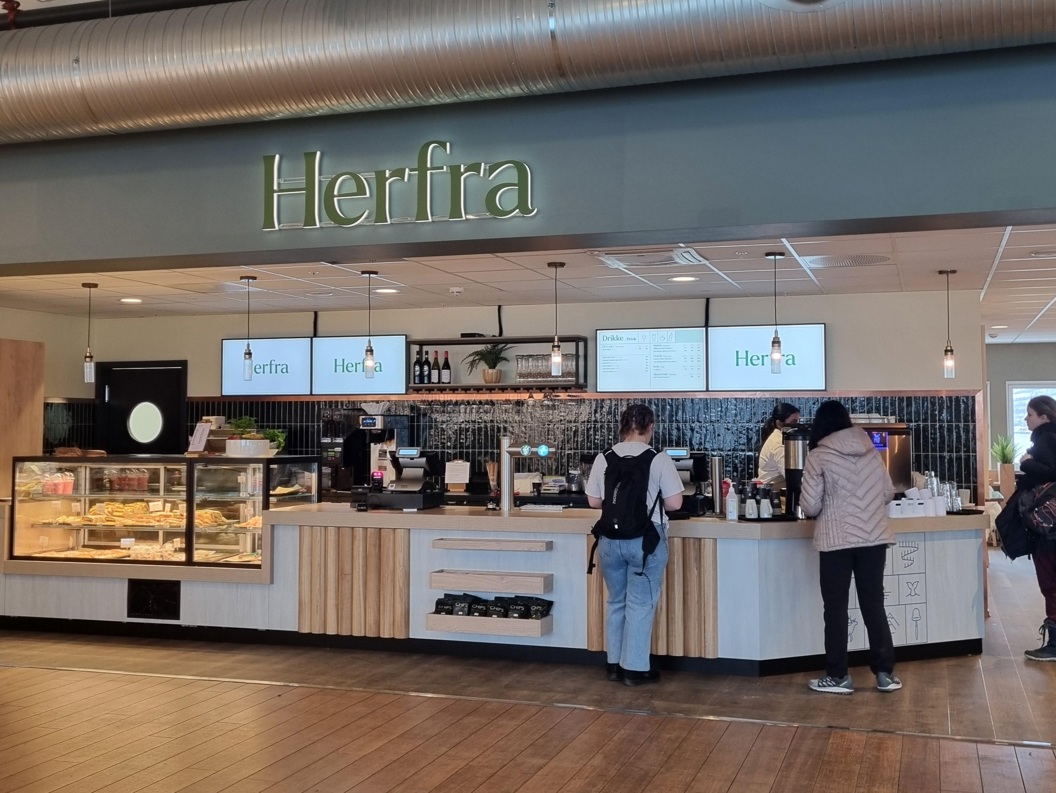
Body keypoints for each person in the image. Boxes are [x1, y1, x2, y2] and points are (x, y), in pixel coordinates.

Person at [800, 400, 899, 694]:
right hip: (873, 539)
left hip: (836, 540)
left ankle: (838, 676)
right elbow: (887, 492)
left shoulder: (818, 456)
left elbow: (810, 504)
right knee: (874, 605)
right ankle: (885, 674)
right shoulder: (871, 451)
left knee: (836, 609)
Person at [586, 404, 683, 686]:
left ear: (623, 426)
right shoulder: (659, 459)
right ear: (650, 427)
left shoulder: (604, 458)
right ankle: (635, 669)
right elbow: (675, 503)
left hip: (609, 542)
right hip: (645, 542)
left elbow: (594, 501)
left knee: (616, 601)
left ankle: (614, 664)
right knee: (640, 604)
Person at [1018, 395, 1056, 661]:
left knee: (1050, 584)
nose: (1026, 418)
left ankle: (1055, 646)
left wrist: (1026, 462)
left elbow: (1051, 472)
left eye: (1030, 414)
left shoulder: (1046, 439)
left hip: (1049, 529)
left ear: (1044, 417)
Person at [757, 402, 801, 487]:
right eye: (793, 422)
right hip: (773, 491)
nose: (797, 425)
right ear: (779, 424)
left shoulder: (779, 438)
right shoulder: (778, 443)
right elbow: (790, 475)